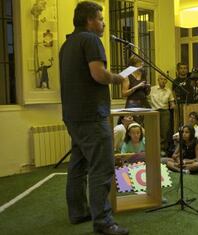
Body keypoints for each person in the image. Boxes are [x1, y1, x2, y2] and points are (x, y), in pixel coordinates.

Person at [59, 2, 128, 234]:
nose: (104, 23)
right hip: (91, 115)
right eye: (100, 18)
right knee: (102, 167)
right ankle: (104, 222)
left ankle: (78, 212)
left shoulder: (67, 44)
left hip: (73, 115)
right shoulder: (90, 40)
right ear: (89, 20)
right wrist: (117, 78)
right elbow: (98, 75)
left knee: (78, 165)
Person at [148, 75, 175, 154]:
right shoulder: (152, 89)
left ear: (166, 81)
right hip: (153, 112)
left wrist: (173, 105)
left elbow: (172, 102)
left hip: (165, 112)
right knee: (154, 131)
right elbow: (145, 99)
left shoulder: (168, 91)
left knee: (164, 132)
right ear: (158, 80)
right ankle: (154, 149)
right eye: (161, 79)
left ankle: (162, 149)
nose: (163, 81)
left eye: (164, 79)